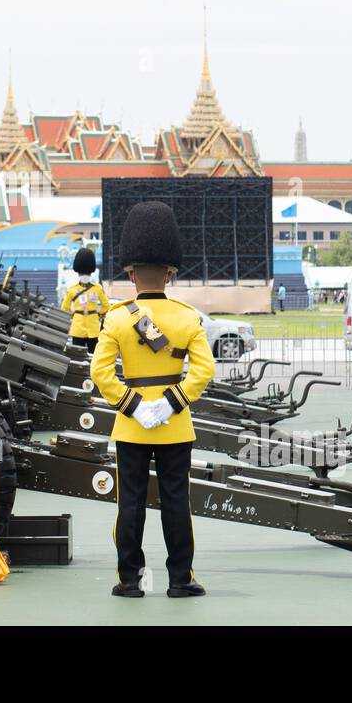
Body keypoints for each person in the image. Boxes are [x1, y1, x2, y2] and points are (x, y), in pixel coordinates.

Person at [90, 201, 215, 599]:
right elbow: (203, 371)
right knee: (178, 503)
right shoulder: (186, 316)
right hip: (176, 426)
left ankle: (131, 580)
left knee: (130, 505)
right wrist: (172, 402)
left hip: (131, 427)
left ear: (130, 274)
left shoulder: (117, 317)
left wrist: (133, 405)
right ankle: (180, 579)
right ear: (169, 273)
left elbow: (100, 373)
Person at [60, 246, 109, 353]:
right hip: (93, 326)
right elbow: (106, 307)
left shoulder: (72, 290)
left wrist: (74, 316)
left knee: (78, 355)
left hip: (78, 327)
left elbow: (64, 309)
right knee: (94, 356)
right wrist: (98, 315)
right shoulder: (98, 289)